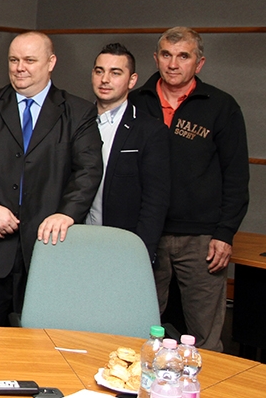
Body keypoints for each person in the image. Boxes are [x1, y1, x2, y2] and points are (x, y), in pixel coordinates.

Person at [0, 31, 102, 326]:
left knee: (39, 341)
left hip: (47, 249)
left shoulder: (79, 112)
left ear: (51, 62)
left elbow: (88, 170)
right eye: (14, 60)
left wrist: (66, 214)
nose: (20, 68)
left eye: (30, 60)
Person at [132, 27, 249, 351]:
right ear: (156, 58)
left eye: (183, 56)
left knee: (204, 336)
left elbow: (236, 176)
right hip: (145, 232)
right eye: (166, 55)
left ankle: (206, 384)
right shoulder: (135, 102)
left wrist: (225, 233)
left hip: (201, 239)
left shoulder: (221, 106)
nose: (173, 64)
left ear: (199, 63)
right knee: (137, 329)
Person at [85, 42, 170, 262]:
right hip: (77, 239)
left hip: (123, 245)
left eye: (115, 73)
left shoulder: (150, 131)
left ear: (132, 80)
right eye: (99, 71)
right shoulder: (75, 121)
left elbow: (155, 201)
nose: (105, 79)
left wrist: (141, 253)